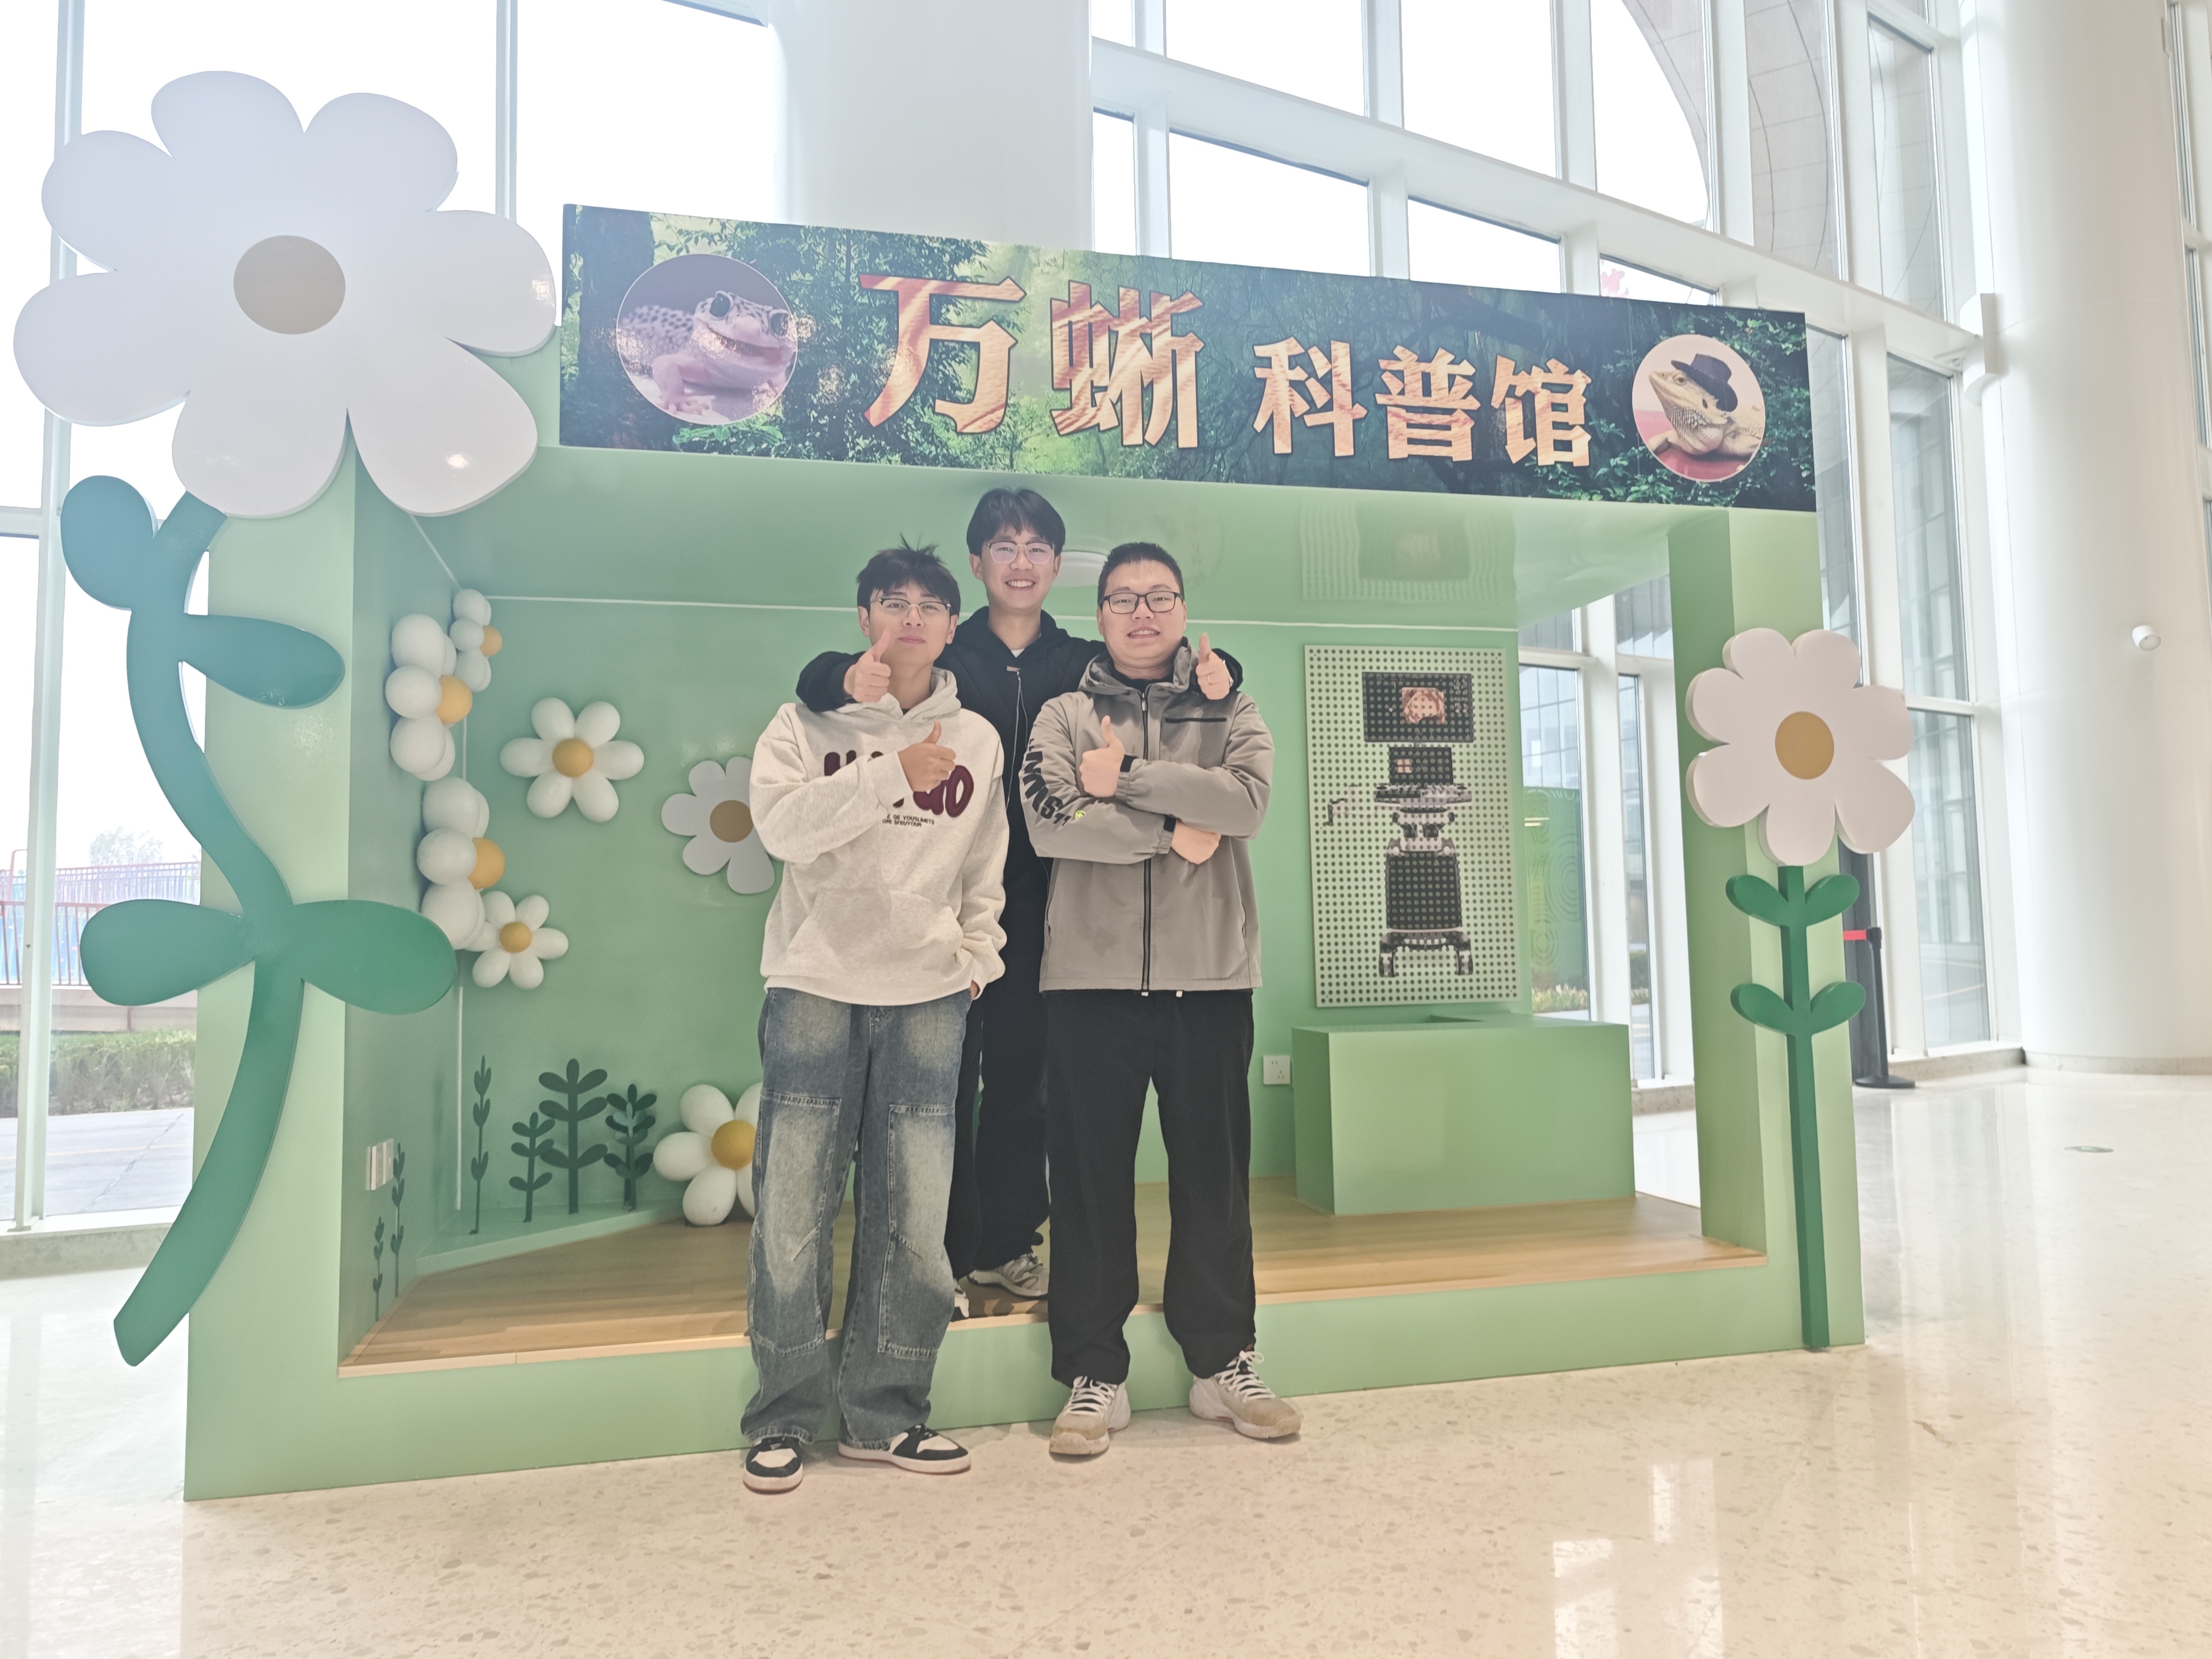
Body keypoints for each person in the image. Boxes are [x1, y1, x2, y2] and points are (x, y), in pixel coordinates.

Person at [794, 490, 1239, 1309]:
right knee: (936, 1087)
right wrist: (839, 674)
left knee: (1025, 1083)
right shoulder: (945, 649)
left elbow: (1162, 668)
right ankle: (937, 1256)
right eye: (1004, 547)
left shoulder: (1081, 663)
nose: (1022, 563)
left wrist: (1224, 671)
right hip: (943, 897)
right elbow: (826, 681)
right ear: (977, 564)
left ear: (1058, 566)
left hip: (1049, 902)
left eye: (1038, 549)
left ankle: (1005, 1245)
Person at [738, 542, 1009, 1495]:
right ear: (865, 619)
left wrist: (978, 958)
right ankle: (781, 1417)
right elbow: (781, 829)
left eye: (930, 606)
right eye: (893, 602)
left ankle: (886, 1414)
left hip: (929, 989)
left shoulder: (977, 737)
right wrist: (894, 772)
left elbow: (985, 864)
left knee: (917, 1216)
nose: (911, 619)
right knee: (792, 1207)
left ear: (950, 625)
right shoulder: (803, 720)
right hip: (814, 979)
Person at [1019, 542, 1299, 1457]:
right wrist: (1176, 831)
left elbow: (1247, 804)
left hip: (1209, 978)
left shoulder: (1231, 707)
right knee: (1088, 1181)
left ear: (1182, 609)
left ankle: (1223, 1365)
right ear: (1099, 614)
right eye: (1123, 598)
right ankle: (1094, 1374)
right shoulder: (1065, 714)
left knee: (1214, 1179)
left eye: (1159, 596)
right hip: (1088, 981)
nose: (1142, 612)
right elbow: (1051, 820)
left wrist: (1130, 781)